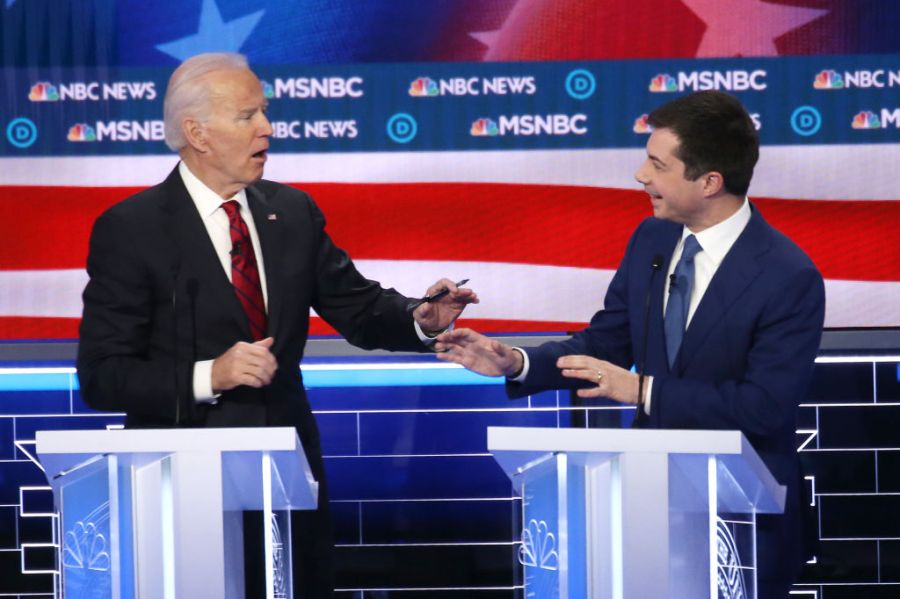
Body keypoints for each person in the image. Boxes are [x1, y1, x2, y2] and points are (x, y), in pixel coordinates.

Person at [76, 52, 477, 598]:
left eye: (264, 112)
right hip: (179, 482)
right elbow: (102, 375)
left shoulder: (291, 212)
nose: (267, 127)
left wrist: (420, 318)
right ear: (197, 133)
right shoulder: (132, 229)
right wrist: (209, 375)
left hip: (285, 476)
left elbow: (358, 308)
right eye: (248, 116)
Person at [435, 90, 824, 597]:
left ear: (709, 182)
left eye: (658, 165)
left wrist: (643, 391)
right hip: (646, 509)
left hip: (743, 525)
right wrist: (517, 363)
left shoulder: (788, 276)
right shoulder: (651, 239)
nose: (641, 175)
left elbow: (764, 408)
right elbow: (607, 344)